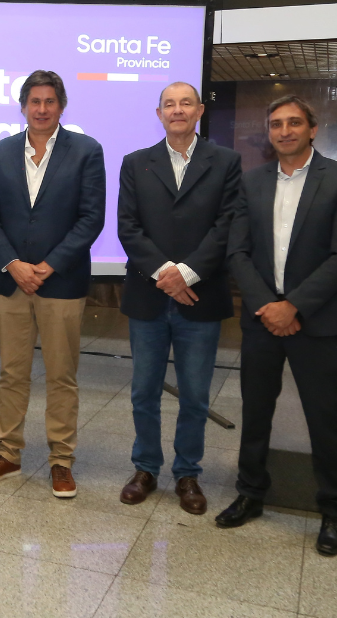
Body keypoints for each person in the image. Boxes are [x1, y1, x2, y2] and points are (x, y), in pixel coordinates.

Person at [216, 95, 337, 557]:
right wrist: (268, 306)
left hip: (316, 323)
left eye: (294, 123)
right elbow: (237, 251)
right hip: (262, 321)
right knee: (256, 413)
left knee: (325, 419)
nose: (285, 131)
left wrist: (294, 306)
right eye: (276, 124)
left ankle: (335, 511)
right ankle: (251, 494)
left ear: (312, 129)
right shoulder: (252, 181)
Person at [0, 70, 105, 498]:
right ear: (24, 106)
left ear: (61, 106)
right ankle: (8, 453)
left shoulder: (86, 150)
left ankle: (61, 461)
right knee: (12, 374)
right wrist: (13, 263)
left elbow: (91, 217)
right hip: (10, 283)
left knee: (61, 375)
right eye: (35, 102)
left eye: (50, 102)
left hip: (61, 284)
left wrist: (48, 265)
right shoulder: (3, 151)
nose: (42, 109)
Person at [112, 82, 242, 514]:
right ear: (159, 113)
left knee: (195, 395)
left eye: (186, 103)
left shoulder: (226, 162)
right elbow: (128, 227)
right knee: (143, 391)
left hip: (199, 297)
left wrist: (185, 273)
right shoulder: (136, 163)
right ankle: (146, 467)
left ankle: (188, 474)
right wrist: (165, 274)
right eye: (170, 104)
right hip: (148, 298)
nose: (178, 110)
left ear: (200, 111)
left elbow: (227, 225)